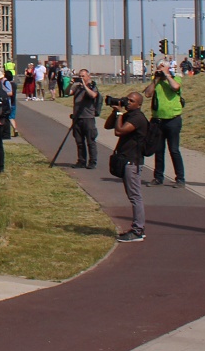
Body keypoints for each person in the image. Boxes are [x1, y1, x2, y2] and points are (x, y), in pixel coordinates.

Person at [104, 91, 148, 242]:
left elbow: (119, 131)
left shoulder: (138, 118)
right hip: (125, 160)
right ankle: (137, 228)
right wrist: (115, 112)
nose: (128, 102)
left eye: (131, 101)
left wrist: (120, 114)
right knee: (132, 195)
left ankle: (138, 230)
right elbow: (108, 126)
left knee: (135, 196)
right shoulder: (128, 115)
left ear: (139, 104)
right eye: (127, 99)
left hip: (133, 161)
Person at [142, 62, 185, 187]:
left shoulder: (175, 78)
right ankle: (158, 177)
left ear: (167, 67)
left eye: (162, 67)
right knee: (159, 150)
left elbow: (176, 87)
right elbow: (148, 94)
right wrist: (155, 81)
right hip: (157, 120)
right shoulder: (156, 82)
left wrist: (167, 76)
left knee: (174, 149)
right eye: (158, 67)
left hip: (173, 120)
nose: (159, 69)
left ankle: (180, 178)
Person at [68, 69, 100, 170]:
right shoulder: (77, 87)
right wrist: (70, 84)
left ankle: (92, 161)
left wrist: (84, 85)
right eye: (80, 76)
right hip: (77, 118)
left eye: (83, 76)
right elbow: (67, 92)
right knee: (79, 141)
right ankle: (81, 161)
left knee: (90, 141)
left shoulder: (92, 86)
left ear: (88, 76)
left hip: (88, 118)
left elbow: (93, 95)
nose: (81, 78)